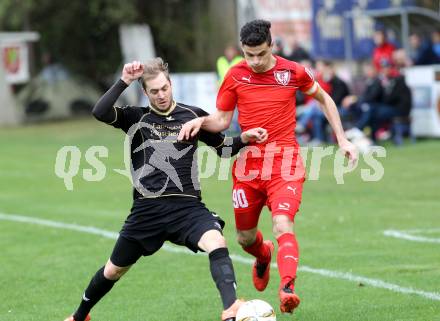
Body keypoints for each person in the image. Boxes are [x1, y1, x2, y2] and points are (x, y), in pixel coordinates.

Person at [64, 58, 268, 321]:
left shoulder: (193, 115)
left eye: (164, 88)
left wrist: (244, 139)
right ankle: (79, 316)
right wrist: (124, 80)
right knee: (113, 271)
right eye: (154, 91)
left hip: (187, 208)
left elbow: (223, 149)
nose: (161, 95)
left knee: (216, 242)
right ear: (145, 92)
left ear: (171, 84)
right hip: (147, 211)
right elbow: (100, 112)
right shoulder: (136, 118)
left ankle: (231, 309)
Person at [178, 20, 358, 314]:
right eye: (249, 55)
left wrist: (343, 139)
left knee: (282, 223)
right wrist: (200, 121)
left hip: (285, 165)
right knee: (245, 238)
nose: (255, 61)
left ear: (271, 46)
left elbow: (324, 99)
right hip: (248, 169)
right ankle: (263, 256)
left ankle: (287, 288)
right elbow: (222, 121)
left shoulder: (293, 71)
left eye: (261, 54)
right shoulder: (235, 75)